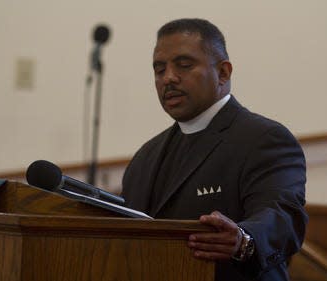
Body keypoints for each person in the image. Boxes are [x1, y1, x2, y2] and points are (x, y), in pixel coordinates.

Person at [121, 18, 307, 281]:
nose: (168, 78)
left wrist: (243, 240)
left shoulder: (265, 139)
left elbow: (282, 215)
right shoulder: (145, 157)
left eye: (184, 65)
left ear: (223, 73)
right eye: (159, 69)